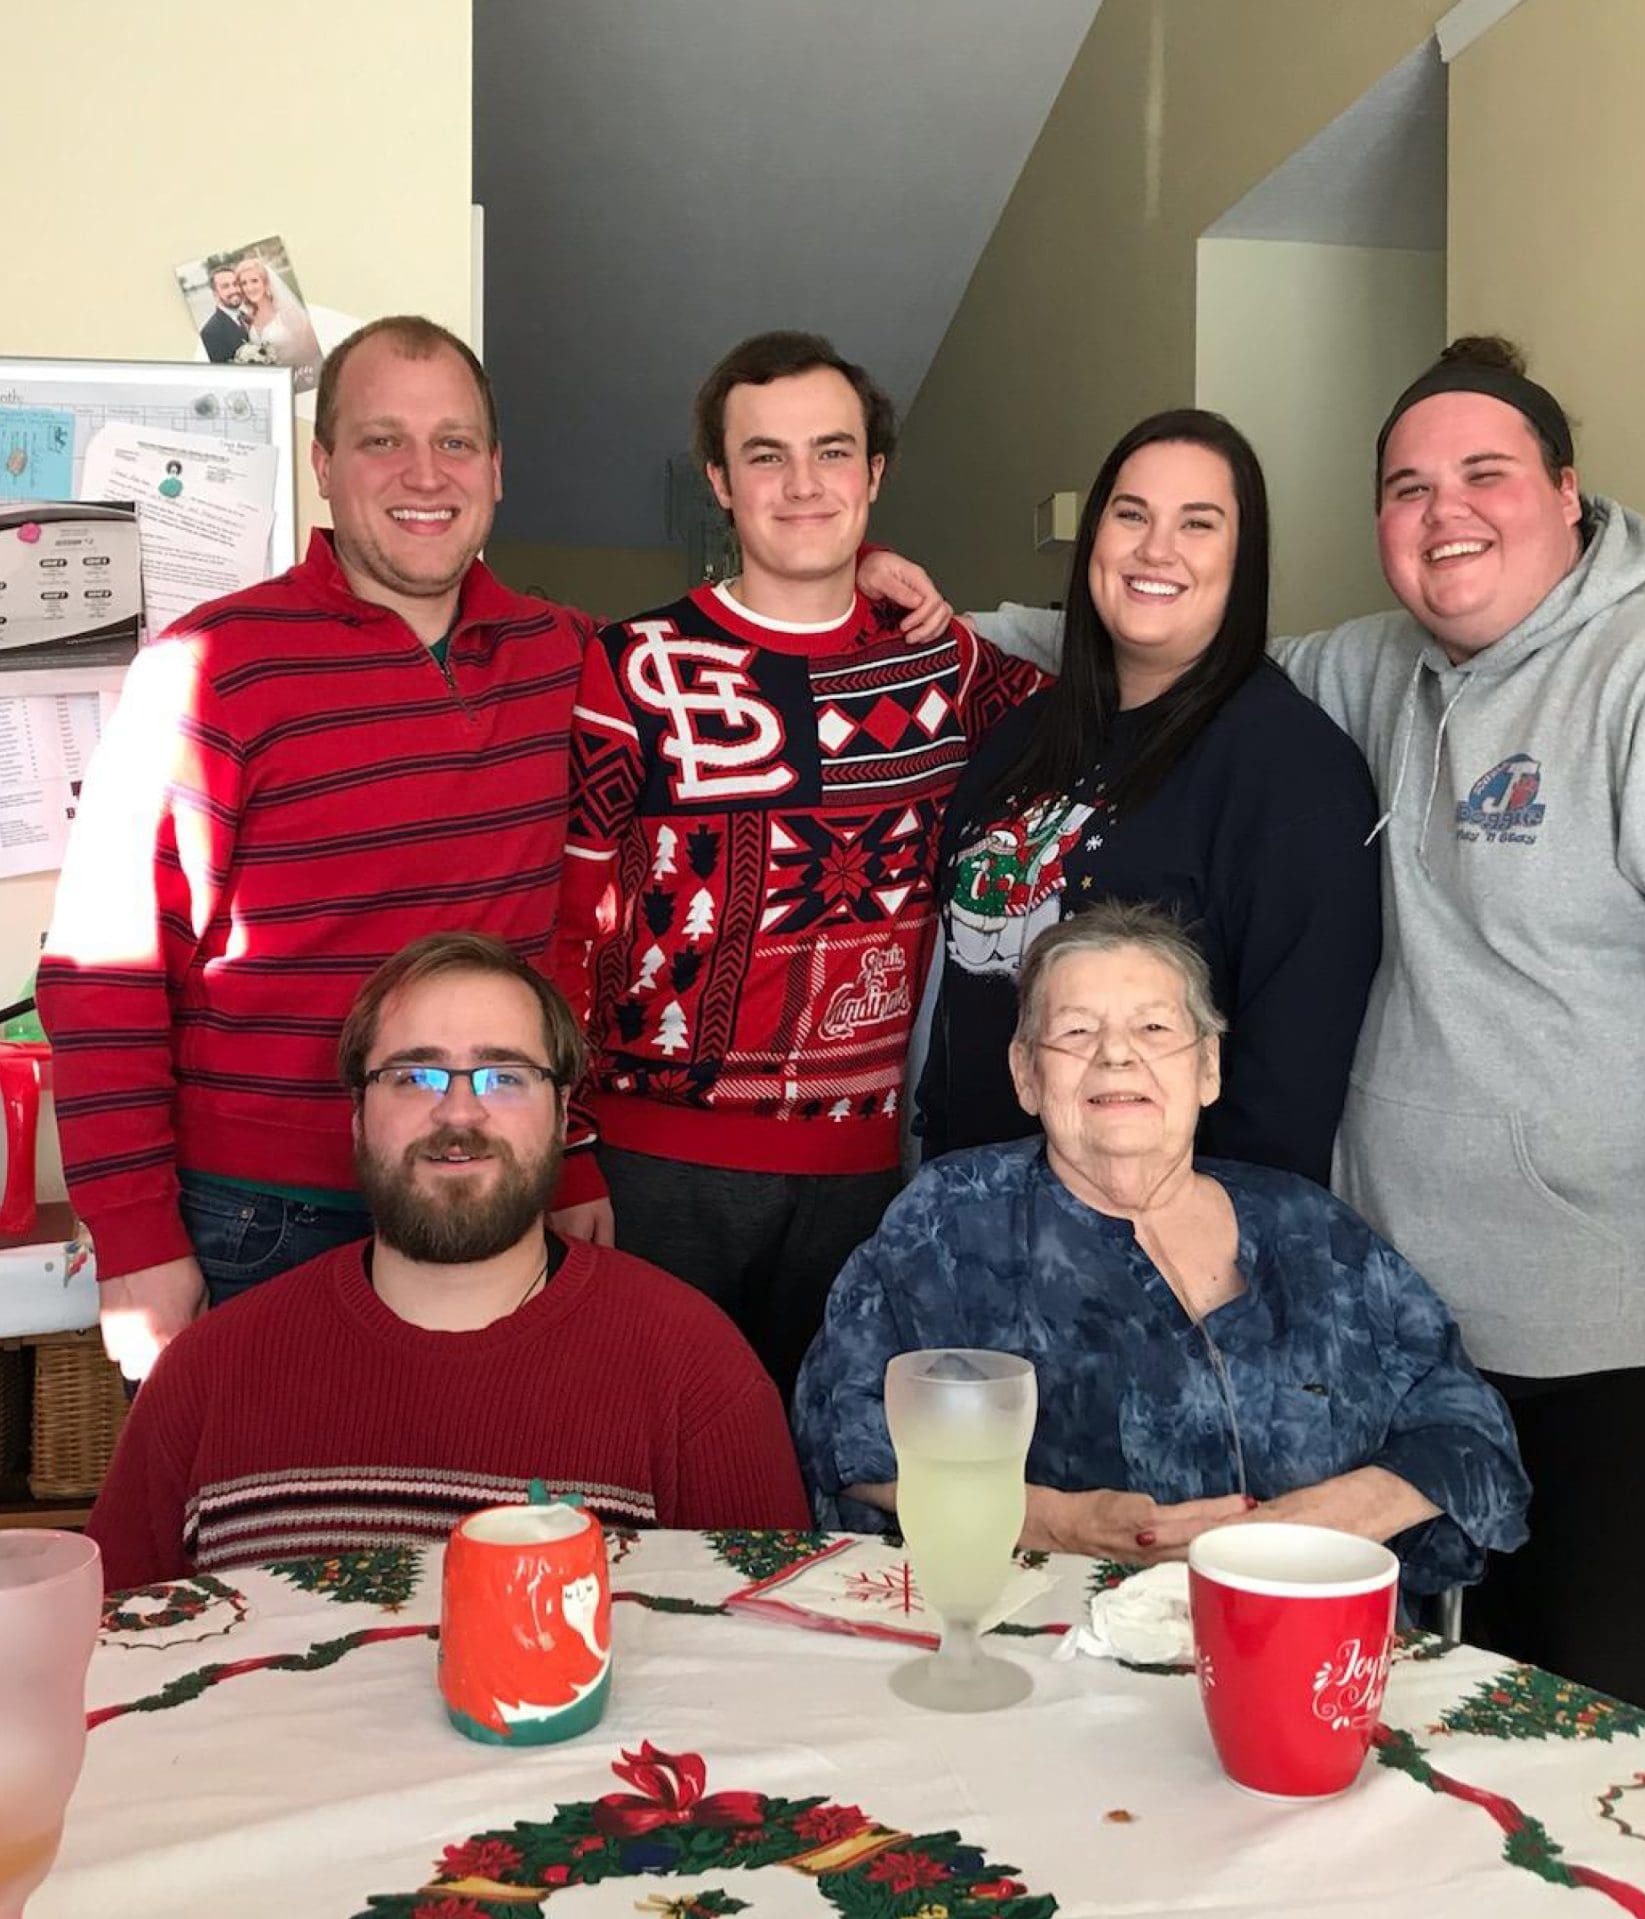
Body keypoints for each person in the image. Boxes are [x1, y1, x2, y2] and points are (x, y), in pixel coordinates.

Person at [876, 336, 1645, 1724]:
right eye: (1409, 488)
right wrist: (963, 623)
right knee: (1468, 1683)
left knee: (1592, 1694)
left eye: (1486, 475)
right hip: (1465, 1303)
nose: (1445, 513)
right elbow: (1173, 633)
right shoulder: (1380, 668)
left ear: (1569, 491)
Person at [38, 315, 610, 1385]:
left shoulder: (566, 656)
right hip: (264, 1223)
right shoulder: (211, 665)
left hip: (493, 1193)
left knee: (481, 1482)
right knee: (263, 1498)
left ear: (495, 469)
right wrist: (137, 1240)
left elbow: (575, 935)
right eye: (383, 440)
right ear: (323, 465)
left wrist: (868, 569)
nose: (424, 474)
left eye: (454, 441)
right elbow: (101, 975)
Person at [551, 330, 1046, 1402]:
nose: (803, 484)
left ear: (875, 474)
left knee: (831, 1468)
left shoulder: (941, 661)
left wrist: (880, 573)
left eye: (832, 453)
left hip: (864, 1176)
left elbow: (1110, 706)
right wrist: (568, 1150)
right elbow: (570, 924)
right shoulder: (633, 663)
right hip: (655, 1166)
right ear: (721, 483)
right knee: (651, 1455)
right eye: (766, 456)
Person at [794, 901, 1529, 1591]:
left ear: (1207, 1067)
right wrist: (1057, 1523)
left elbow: (1469, 1430)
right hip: (1045, 1626)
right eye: (1076, 1032)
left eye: (1153, 1029)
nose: (1116, 1055)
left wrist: (1311, 1526)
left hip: (1313, 1626)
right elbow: (839, 1427)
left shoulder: (1311, 1228)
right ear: (1026, 1075)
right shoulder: (952, 1220)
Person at [86, 932, 807, 1591]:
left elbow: (777, 1661)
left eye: (504, 1077)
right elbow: (107, 1655)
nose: (459, 1113)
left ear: (563, 1115)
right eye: (415, 1077)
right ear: (357, 1114)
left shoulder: (697, 1372)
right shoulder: (206, 1377)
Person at [916, 409, 1378, 1183]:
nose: (1156, 549)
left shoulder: (1293, 771)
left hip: (1144, 1237)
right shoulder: (1025, 733)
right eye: (1131, 515)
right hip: (964, 1208)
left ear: (1243, 558)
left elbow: (1287, 1099)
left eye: (1198, 524)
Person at [235, 256, 324, 388]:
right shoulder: (249, 318)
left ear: (265, 283)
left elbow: (313, 352)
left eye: (254, 281)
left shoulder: (288, 312)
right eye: (244, 283)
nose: (249, 288)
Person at [198, 264, 248, 364]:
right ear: (215, 294)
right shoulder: (210, 332)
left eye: (235, 284)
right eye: (225, 286)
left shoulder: (246, 316)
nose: (233, 290)